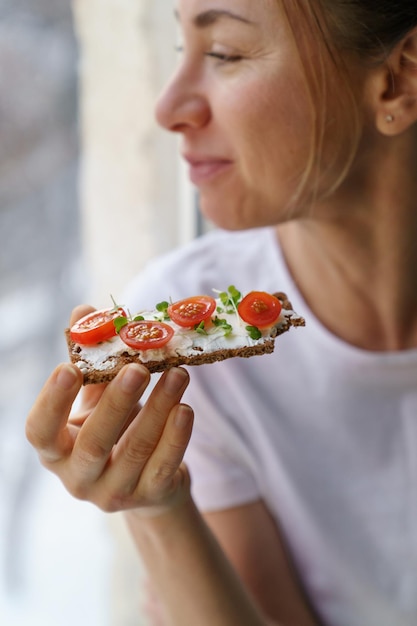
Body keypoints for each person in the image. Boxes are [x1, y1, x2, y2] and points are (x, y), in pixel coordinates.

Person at [26, 1, 417, 624]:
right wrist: (158, 510)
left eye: (224, 54)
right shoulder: (190, 347)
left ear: (399, 79)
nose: (167, 108)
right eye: (182, 52)